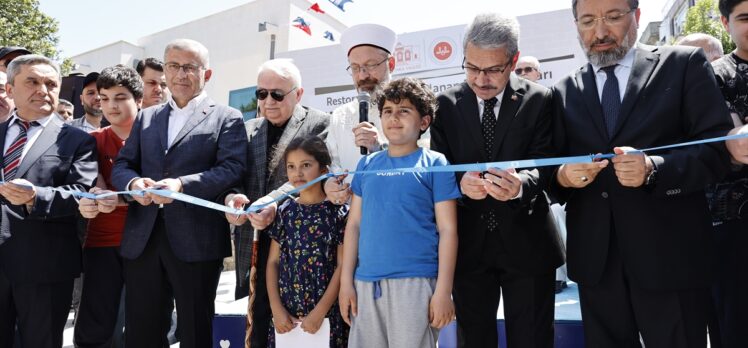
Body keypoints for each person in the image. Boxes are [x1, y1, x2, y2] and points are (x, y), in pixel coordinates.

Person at [551, 0, 734, 346]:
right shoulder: (563, 92)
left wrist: (654, 169)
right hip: (598, 268)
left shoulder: (683, 66)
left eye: (613, 17)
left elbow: (715, 153)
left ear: (636, 16)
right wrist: (562, 176)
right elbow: (550, 173)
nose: (600, 31)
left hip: (671, 259)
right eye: (587, 20)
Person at [431, 13, 562, 348]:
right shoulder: (445, 105)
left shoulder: (540, 100)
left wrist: (521, 185)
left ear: (513, 60)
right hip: (469, 247)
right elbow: (440, 168)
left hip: (528, 243)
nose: (481, 79)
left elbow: (546, 164)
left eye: (492, 69)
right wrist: (460, 184)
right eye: (472, 67)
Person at [111, 38, 247, 348]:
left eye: (189, 67)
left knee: (196, 331)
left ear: (206, 74)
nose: (180, 74)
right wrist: (134, 185)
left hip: (196, 240)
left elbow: (231, 169)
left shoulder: (227, 117)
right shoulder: (147, 116)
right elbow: (123, 165)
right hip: (143, 239)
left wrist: (181, 185)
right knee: (141, 331)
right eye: (173, 66)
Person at [339, 77, 459, 348]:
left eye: (404, 110)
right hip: (366, 284)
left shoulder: (436, 163)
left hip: (416, 285)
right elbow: (354, 225)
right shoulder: (367, 164)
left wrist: (443, 290)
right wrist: (346, 282)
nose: (394, 118)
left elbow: (448, 230)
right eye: (388, 111)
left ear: (424, 122)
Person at [224, 58, 329, 348]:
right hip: (252, 243)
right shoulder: (247, 129)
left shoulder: (319, 122)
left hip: (301, 248)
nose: (268, 101)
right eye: (261, 94)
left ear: (298, 94)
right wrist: (234, 199)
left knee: (299, 329)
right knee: (255, 325)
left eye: (277, 94)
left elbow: (305, 179)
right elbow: (233, 176)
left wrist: (268, 203)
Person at [0, 54, 98, 348]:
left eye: (51, 84)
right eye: (32, 81)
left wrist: (35, 197)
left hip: (44, 265)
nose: (43, 90)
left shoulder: (78, 140)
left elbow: (81, 192)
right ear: (9, 89)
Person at [74, 64, 141, 348]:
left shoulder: (156, 139)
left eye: (120, 97)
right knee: (95, 329)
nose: (111, 105)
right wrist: (89, 194)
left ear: (139, 100)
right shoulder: (90, 141)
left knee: (145, 325)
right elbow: (84, 183)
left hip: (145, 244)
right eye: (104, 98)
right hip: (101, 245)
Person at [266, 136, 348, 348]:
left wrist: (319, 312)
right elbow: (273, 263)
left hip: (326, 316)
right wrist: (276, 309)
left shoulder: (337, 213)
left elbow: (342, 266)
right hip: (288, 317)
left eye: (306, 165)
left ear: (323, 170)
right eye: (291, 167)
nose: (298, 173)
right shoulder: (284, 211)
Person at [705, 1, 748, 346]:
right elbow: (735, 147)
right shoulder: (715, 75)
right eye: (745, 18)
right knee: (734, 324)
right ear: (725, 22)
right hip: (733, 221)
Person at [323, 23, 397, 204]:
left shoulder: (412, 111)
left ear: (391, 64)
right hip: (353, 221)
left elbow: (426, 164)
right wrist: (329, 184)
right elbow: (332, 165)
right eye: (355, 68)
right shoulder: (340, 115)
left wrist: (381, 149)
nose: (363, 75)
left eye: (370, 65)